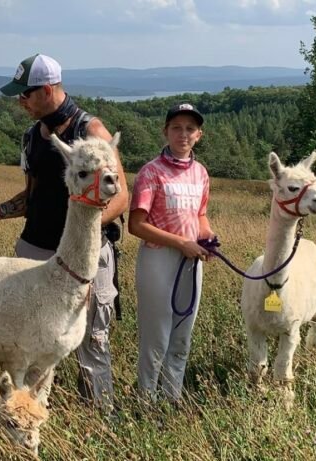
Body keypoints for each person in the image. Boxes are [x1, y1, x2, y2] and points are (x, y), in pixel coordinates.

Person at [0, 54, 129, 411]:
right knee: (26, 341)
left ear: (47, 90)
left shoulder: (91, 132)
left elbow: (121, 196)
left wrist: (81, 233)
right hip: (34, 252)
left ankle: (98, 417)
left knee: (92, 340)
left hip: (84, 261)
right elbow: (31, 198)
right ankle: (26, 419)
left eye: (25, 94)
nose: (21, 102)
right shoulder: (32, 137)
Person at [128, 103, 215, 402]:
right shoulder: (151, 172)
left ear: (199, 135)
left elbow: (200, 215)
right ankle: (146, 401)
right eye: (177, 128)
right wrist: (180, 242)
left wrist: (206, 235)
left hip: (191, 261)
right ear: (165, 131)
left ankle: (172, 398)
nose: (183, 134)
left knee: (182, 335)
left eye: (190, 129)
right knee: (157, 337)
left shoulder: (201, 174)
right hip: (158, 260)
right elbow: (136, 225)